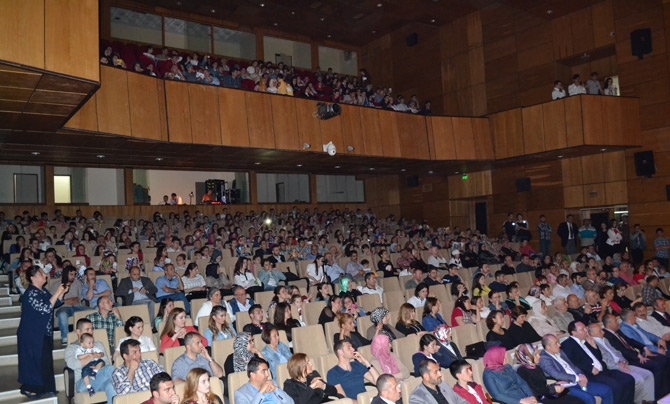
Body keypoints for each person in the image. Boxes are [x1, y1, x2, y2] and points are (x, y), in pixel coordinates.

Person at [17, 264, 69, 400]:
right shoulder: (31, 293)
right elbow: (46, 309)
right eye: (41, 274)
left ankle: (47, 388)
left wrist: (61, 294)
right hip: (31, 334)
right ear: (33, 278)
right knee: (33, 362)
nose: (45, 275)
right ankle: (30, 389)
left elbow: (54, 304)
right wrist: (57, 292)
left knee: (45, 361)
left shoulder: (42, 291)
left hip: (42, 332)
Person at [560, 321, 635, 404]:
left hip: (603, 370)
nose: (586, 330)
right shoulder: (567, 345)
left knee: (629, 379)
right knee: (616, 386)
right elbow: (570, 362)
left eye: (585, 328)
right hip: (590, 374)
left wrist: (593, 346)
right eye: (582, 329)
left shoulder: (585, 341)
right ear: (574, 333)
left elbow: (598, 357)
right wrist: (589, 368)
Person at [587, 322, 655, 404]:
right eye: (600, 331)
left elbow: (617, 352)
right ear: (592, 333)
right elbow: (603, 361)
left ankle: (648, 400)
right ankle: (637, 402)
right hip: (614, 368)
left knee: (648, 374)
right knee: (638, 379)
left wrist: (622, 361)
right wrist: (618, 366)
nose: (603, 332)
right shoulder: (592, 344)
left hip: (622, 363)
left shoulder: (605, 339)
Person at [538, 334, 614, 404]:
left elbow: (573, 366)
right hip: (567, 386)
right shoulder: (544, 358)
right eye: (556, 343)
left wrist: (581, 375)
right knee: (589, 398)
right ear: (548, 347)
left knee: (607, 390)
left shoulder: (560, 352)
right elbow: (556, 374)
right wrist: (577, 378)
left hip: (578, 381)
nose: (559, 345)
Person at [514, 344, 584, 404]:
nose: (539, 356)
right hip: (539, 399)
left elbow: (542, 385)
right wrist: (553, 388)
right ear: (527, 357)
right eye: (535, 354)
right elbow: (536, 391)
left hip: (547, 394)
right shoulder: (522, 372)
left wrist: (557, 383)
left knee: (577, 400)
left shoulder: (535, 367)